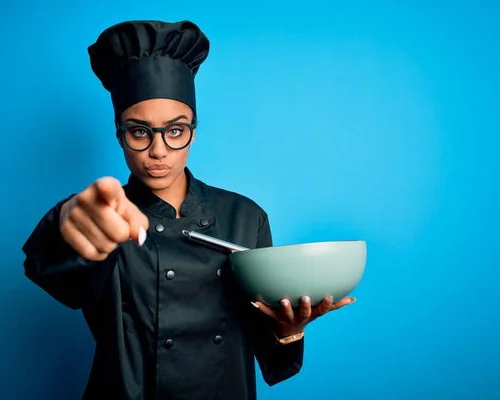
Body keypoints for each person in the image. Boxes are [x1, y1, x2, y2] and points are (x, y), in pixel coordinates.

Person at [22, 20, 355, 400]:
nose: (158, 151)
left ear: (193, 132)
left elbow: (272, 361)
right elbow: (48, 268)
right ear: (119, 133)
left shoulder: (246, 216)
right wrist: (67, 222)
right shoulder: (106, 217)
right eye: (139, 131)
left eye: (175, 131)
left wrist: (288, 329)